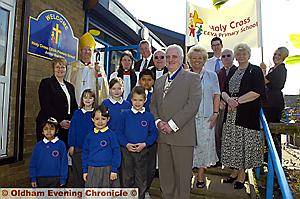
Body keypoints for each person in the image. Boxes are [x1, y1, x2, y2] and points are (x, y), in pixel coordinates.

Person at [150, 44, 201, 199]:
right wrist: (158, 121)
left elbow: (192, 105)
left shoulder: (192, 78)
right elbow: (153, 106)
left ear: (182, 58)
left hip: (182, 137)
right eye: (168, 57)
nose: (170, 60)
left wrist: (171, 125)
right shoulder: (159, 81)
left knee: (182, 179)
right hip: (163, 137)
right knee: (165, 178)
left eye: (174, 57)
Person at [221, 43, 265, 189]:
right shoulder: (233, 70)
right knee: (234, 144)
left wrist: (237, 101)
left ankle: (241, 175)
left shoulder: (255, 70)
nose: (241, 56)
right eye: (238, 54)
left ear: (249, 54)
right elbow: (224, 90)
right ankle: (235, 171)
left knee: (243, 144)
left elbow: (257, 91)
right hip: (231, 113)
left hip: (246, 113)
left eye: (244, 53)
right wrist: (228, 100)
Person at [187, 45, 220, 188]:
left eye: (200, 58)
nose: (196, 60)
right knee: (189, 147)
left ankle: (200, 175)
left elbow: (216, 95)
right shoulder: (185, 75)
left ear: (204, 59)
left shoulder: (212, 75)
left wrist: (215, 113)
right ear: (189, 60)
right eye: (193, 58)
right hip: (188, 118)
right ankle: (187, 174)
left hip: (207, 117)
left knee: (204, 147)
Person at [117, 86, 158, 199]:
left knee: (141, 178)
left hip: (143, 151)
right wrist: (126, 144)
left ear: (145, 100)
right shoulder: (124, 114)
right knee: (127, 177)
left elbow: (153, 134)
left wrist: (145, 144)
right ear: (131, 100)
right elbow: (119, 132)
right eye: (135, 100)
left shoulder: (149, 116)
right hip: (127, 150)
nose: (137, 103)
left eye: (140, 100)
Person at [127, 69, 156, 198]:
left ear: (153, 81)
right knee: (130, 170)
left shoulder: (156, 95)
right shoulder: (133, 95)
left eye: (149, 79)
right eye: (143, 79)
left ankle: (145, 190)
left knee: (148, 168)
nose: (146, 82)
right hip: (133, 141)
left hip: (149, 139)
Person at [36, 57, 78, 144]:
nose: (60, 69)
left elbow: (74, 105)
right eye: (57, 67)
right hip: (50, 124)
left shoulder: (70, 86)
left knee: (63, 152)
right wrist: (60, 120)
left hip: (67, 125)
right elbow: (45, 105)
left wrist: (71, 121)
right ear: (53, 69)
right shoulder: (46, 83)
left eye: (63, 67)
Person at [260, 47, 289, 162]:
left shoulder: (281, 69)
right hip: (268, 102)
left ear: (284, 57)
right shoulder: (273, 69)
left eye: (279, 55)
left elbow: (264, 81)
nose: (276, 56)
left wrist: (262, 70)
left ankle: (276, 161)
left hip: (274, 103)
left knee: (274, 133)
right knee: (268, 132)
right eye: (275, 54)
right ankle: (268, 158)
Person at [82, 104, 121, 188]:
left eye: (103, 119)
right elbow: (85, 154)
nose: (100, 121)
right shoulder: (89, 136)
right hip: (92, 169)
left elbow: (116, 153)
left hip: (108, 169)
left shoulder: (112, 135)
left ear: (108, 119)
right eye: (97, 119)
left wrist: (114, 169)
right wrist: (85, 170)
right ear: (92, 119)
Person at [66, 32, 109, 105]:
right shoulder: (72, 67)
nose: (87, 52)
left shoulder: (98, 67)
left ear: (92, 52)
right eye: (84, 49)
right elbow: (67, 85)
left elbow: (102, 87)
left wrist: (98, 72)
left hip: (92, 104)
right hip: (76, 102)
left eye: (89, 50)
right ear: (80, 51)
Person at [29, 117, 68, 188]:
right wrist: (33, 178)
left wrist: (63, 178)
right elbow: (33, 163)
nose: (49, 131)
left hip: (56, 178)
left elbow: (64, 162)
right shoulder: (38, 145)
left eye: (52, 129)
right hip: (40, 178)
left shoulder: (61, 144)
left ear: (56, 131)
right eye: (46, 129)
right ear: (42, 131)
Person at [68, 89, 95, 187]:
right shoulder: (77, 113)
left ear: (94, 99)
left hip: (92, 149)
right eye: (85, 97)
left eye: (90, 97)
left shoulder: (96, 114)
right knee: (78, 174)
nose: (88, 100)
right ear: (82, 99)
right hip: (78, 149)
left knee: (90, 174)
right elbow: (72, 130)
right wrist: (71, 145)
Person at [215, 49, 237, 161]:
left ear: (233, 57)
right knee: (218, 133)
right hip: (221, 107)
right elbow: (215, 90)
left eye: (229, 55)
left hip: (235, 107)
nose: (226, 58)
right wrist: (219, 101)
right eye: (223, 56)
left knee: (232, 135)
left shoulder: (238, 71)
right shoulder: (218, 73)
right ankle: (219, 158)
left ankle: (231, 161)